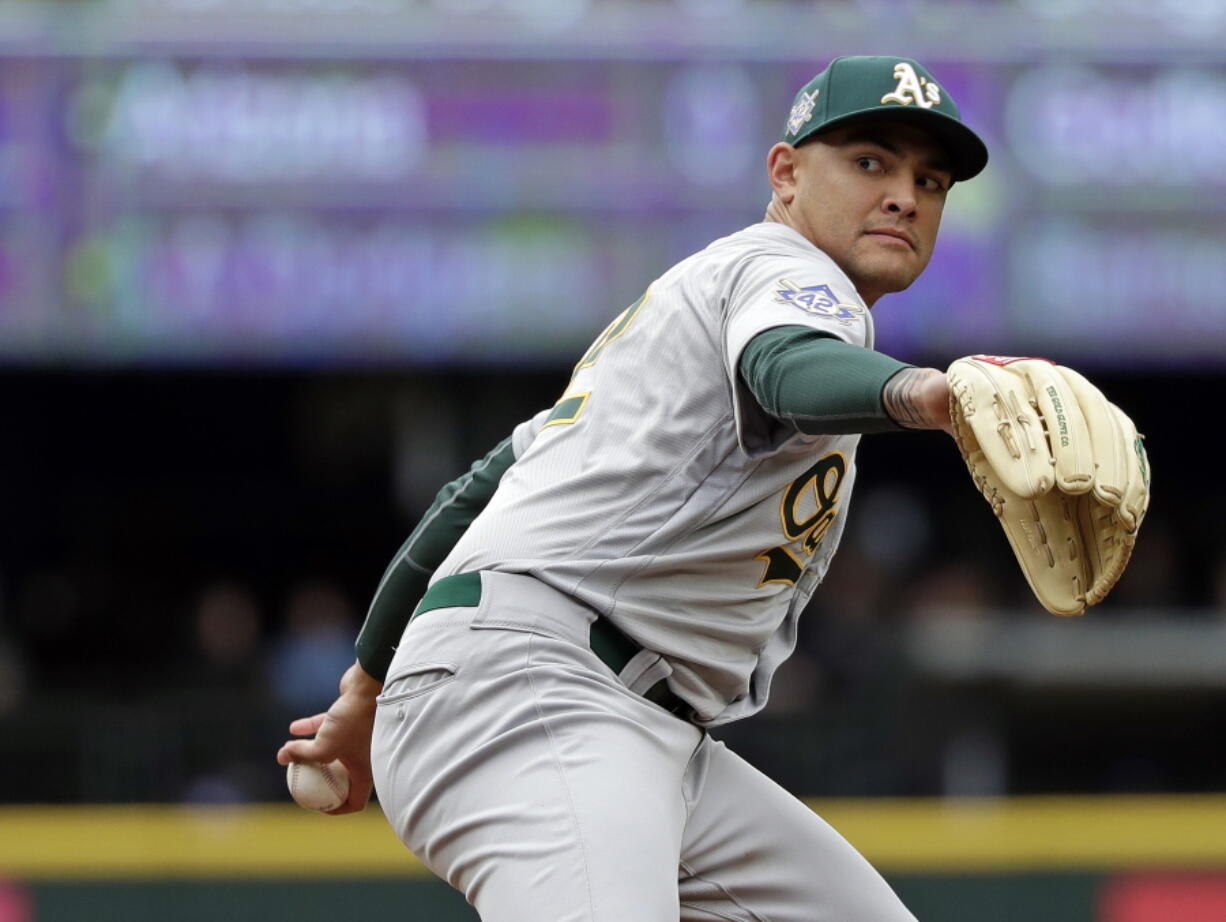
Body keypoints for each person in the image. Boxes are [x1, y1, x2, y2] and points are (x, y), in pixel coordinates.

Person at [278, 55, 989, 921]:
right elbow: (786, 369)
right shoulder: (783, 273)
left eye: (931, 179)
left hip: (627, 725)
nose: (905, 196)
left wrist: (365, 687)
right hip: (542, 691)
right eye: (871, 161)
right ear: (786, 173)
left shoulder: (683, 318)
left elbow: (478, 494)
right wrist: (927, 394)